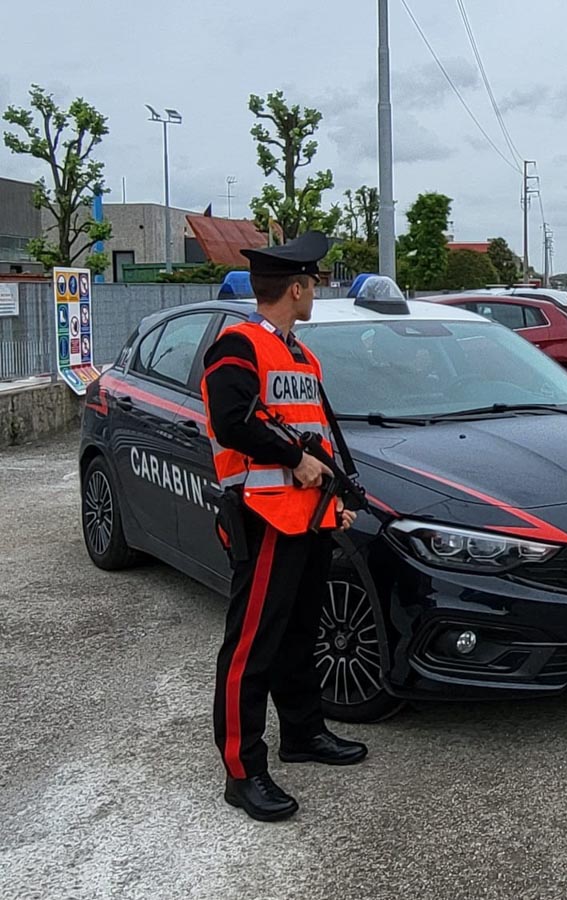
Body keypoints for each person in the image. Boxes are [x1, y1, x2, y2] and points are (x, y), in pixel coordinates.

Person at [201, 231, 367, 823]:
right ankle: (242, 770)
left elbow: (317, 435)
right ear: (296, 288)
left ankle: (303, 732)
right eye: (313, 284)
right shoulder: (236, 346)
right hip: (264, 518)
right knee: (251, 647)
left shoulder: (301, 355)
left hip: (309, 518)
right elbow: (231, 422)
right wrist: (296, 460)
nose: (315, 292)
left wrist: (337, 495)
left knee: (300, 635)